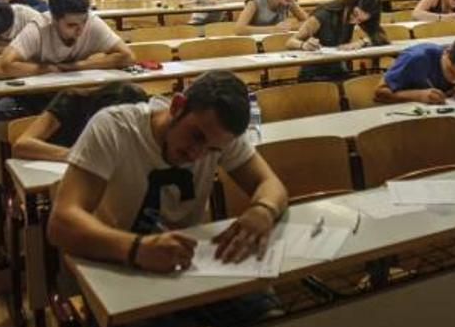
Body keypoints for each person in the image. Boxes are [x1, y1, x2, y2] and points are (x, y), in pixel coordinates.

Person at [49, 71, 290, 275]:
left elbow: (271, 184)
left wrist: (263, 210)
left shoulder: (218, 135)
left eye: (212, 150)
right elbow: (61, 223)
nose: (198, 154)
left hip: (186, 264)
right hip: (119, 261)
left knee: (269, 317)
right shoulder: (114, 128)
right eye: (196, 136)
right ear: (177, 106)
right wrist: (137, 248)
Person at [0, 0, 135, 79]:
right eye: (71, 25)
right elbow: (3, 66)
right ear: (54, 19)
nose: (80, 31)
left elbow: (128, 57)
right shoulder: (39, 28)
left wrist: (76, 66)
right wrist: (48, 69)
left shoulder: (92, 22)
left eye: (83, 22)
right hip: (42, 95)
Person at [12, 82, 150, 161]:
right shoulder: (70, 100)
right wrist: (76, 155)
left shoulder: (141, 116)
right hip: (59, 169)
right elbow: (21, 145)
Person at [287, 0, 388, 81]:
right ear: (350, 3)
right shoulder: (323, 15)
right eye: (355, 14)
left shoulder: (357, 17)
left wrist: (362, 42)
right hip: (313, 74)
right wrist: (304, 45)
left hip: (338, 71)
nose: (354, 21)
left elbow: (382, 37)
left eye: (360, 20)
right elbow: (290, 42)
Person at [375, 36, 455, 104]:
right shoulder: (416, 59)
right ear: (446, 52)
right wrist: (418, 95)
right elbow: (379, 93)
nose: (454, 80)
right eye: (451, 73)